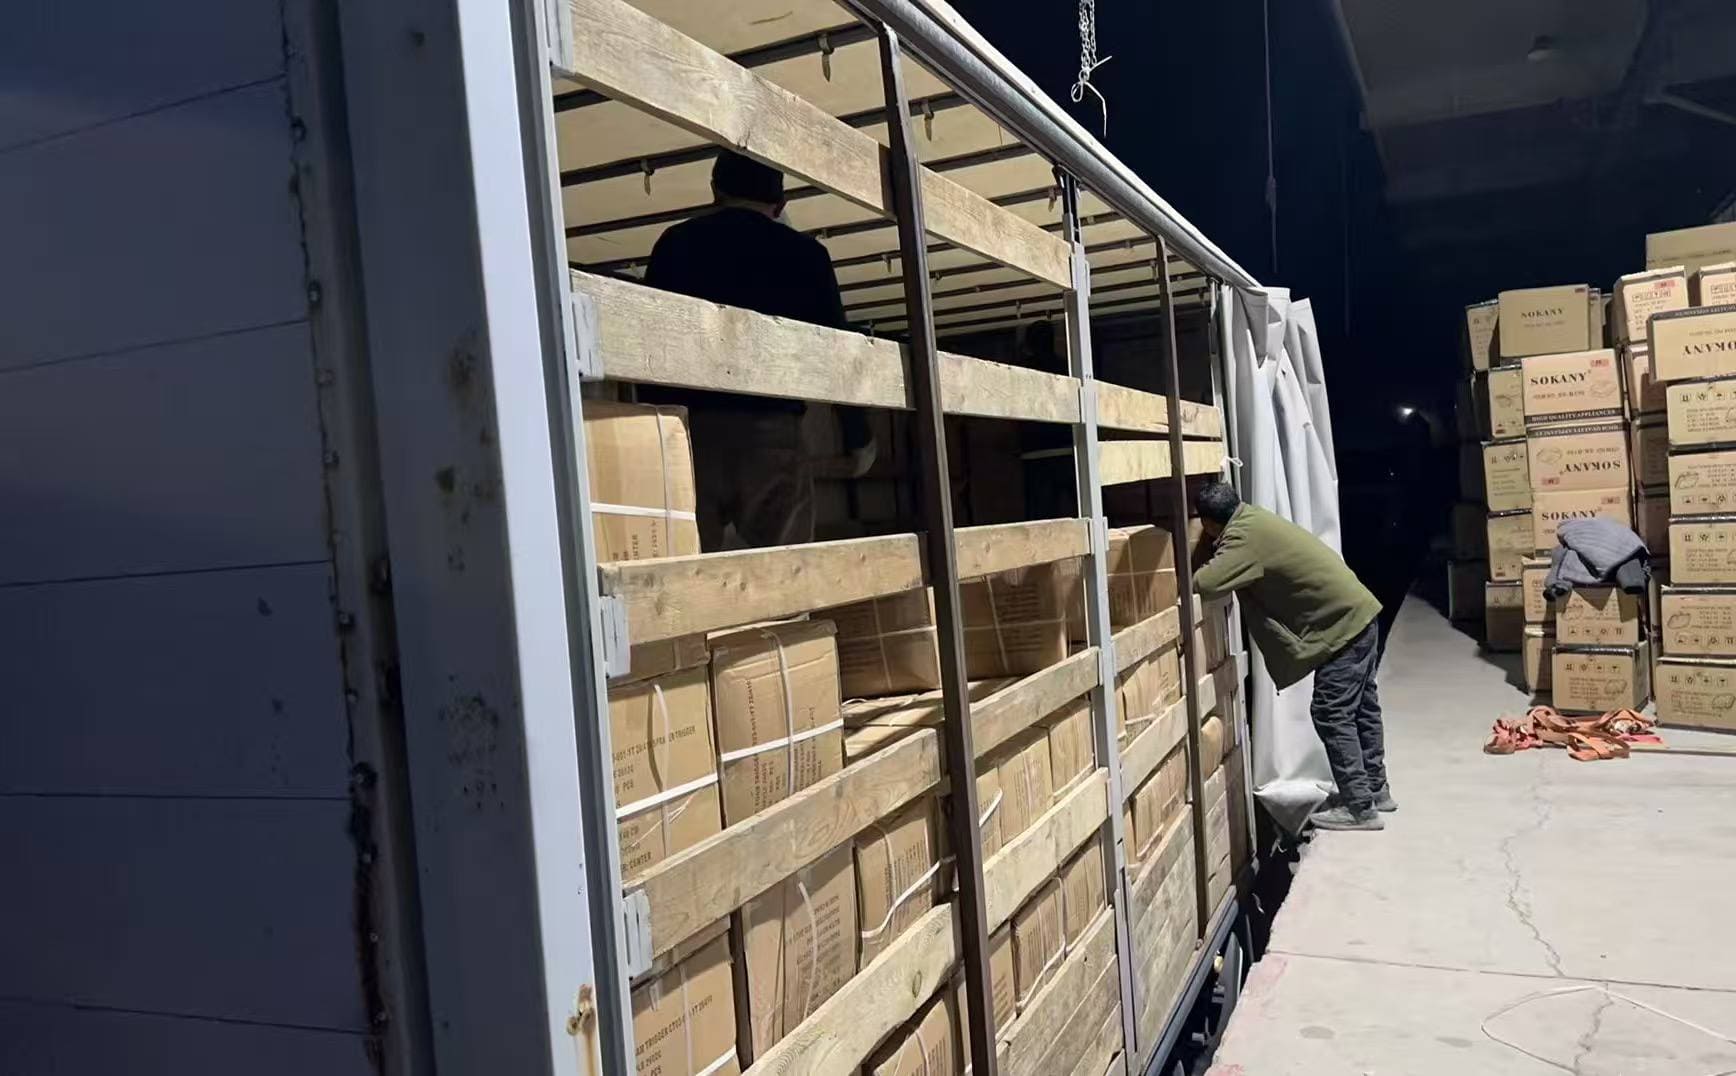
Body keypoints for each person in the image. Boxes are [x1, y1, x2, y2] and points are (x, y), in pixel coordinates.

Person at [644, 150, 873, 549]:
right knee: (787, 571)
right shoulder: (806, 255)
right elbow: (838, 352)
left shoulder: (674, 243)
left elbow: (650, 342)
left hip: (692, 434)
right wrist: (859, 434)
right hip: (772, 434)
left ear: (715, 190)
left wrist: (655, 432)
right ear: (781, 204)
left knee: (689, 566)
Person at [1192, 481, 1394, 831]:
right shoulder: (1255, 519)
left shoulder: (1242, 539)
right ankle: (1375, 790)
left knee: (1331, 712)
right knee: (1361, 708)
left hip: (1343, 628)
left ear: (1209, 524)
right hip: (1359, 615)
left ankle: (1360, 808)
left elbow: (1205, 583)